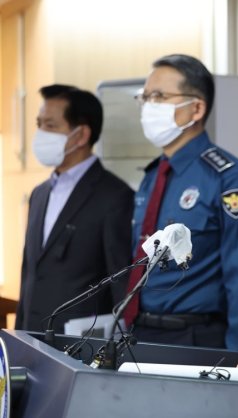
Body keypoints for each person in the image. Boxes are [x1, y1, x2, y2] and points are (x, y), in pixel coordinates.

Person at [126, 54, 238, 351]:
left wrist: (236, 359)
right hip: (138, 334)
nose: (149, 106)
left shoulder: (230, 178)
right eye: (146, 97)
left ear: (196, 108)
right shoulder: (153, 175)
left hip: (193, 339)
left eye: (159, 96)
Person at [16, 84, 134, 333]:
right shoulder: (39, 193)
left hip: (80, 345)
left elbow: (121, 282)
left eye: (50, 125)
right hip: (33, 337)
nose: (40, 133)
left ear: (80, 136)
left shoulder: (115, 196)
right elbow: (30, 273)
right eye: (39, 124)